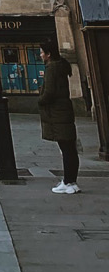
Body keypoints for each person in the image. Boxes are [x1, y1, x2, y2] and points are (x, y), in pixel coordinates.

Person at [38, 37, 80, 193]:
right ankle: (71, 181)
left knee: (66, 149)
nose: (40, 55)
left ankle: (68, 182)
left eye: (42, 52)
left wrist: (40, 100)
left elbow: (49, 92)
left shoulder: (52, 68)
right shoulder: (62, 66)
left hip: (57, 113)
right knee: (70, 148)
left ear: (48, 54)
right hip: (65, 111)